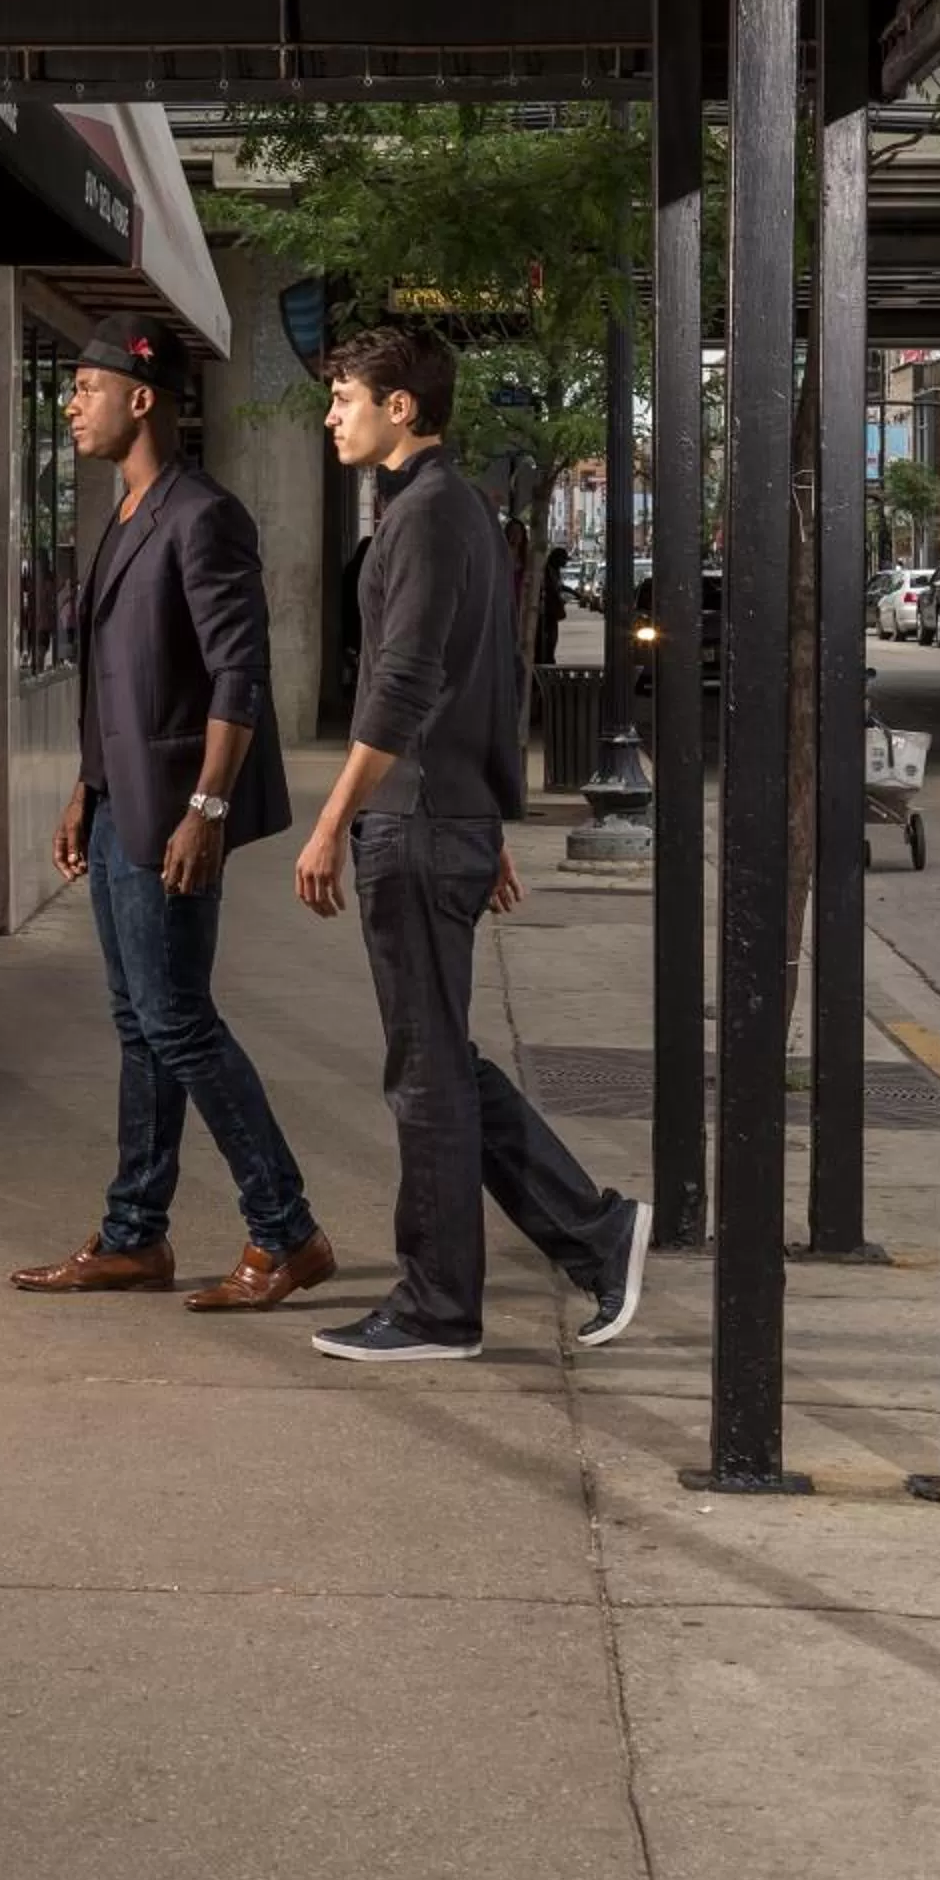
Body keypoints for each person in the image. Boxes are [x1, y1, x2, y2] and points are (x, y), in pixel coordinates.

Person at [295, 326, 650, 1364]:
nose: (331, 415)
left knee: (426, 1075)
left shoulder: (428, 518)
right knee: (438, 1062)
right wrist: (484, 817)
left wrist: (330, 821)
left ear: (400, 409)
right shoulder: (453, 513)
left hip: (411, 824)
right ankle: (591, 1230)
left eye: (346, 398)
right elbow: (487, 686)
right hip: (436, 818)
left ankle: (438, 1308)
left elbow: (404, 691)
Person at [12, 311, 334, 1316]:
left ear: (139, 398)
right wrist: (82, 788)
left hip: (171, 814)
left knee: (179, 1023)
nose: (70, 403)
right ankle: (132, 1236)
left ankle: (285, 1231)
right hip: (118, 805)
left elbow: (240, 674)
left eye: (86, 387)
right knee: (139, 1026)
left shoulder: (202, 515)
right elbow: (117, 680)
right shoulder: (122, 510)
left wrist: (205, 807)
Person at [535, 546, 569, 669]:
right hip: (545, 613)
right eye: (564, 559)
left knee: (551, 643)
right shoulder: (546, 572)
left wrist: (577, 594)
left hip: (551, 615)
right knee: (546, 644)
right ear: (557, 559)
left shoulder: (554, 571)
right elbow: (551, 590)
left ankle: (549, 664)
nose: (566, 562)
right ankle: (546, 668)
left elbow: (561, 587)